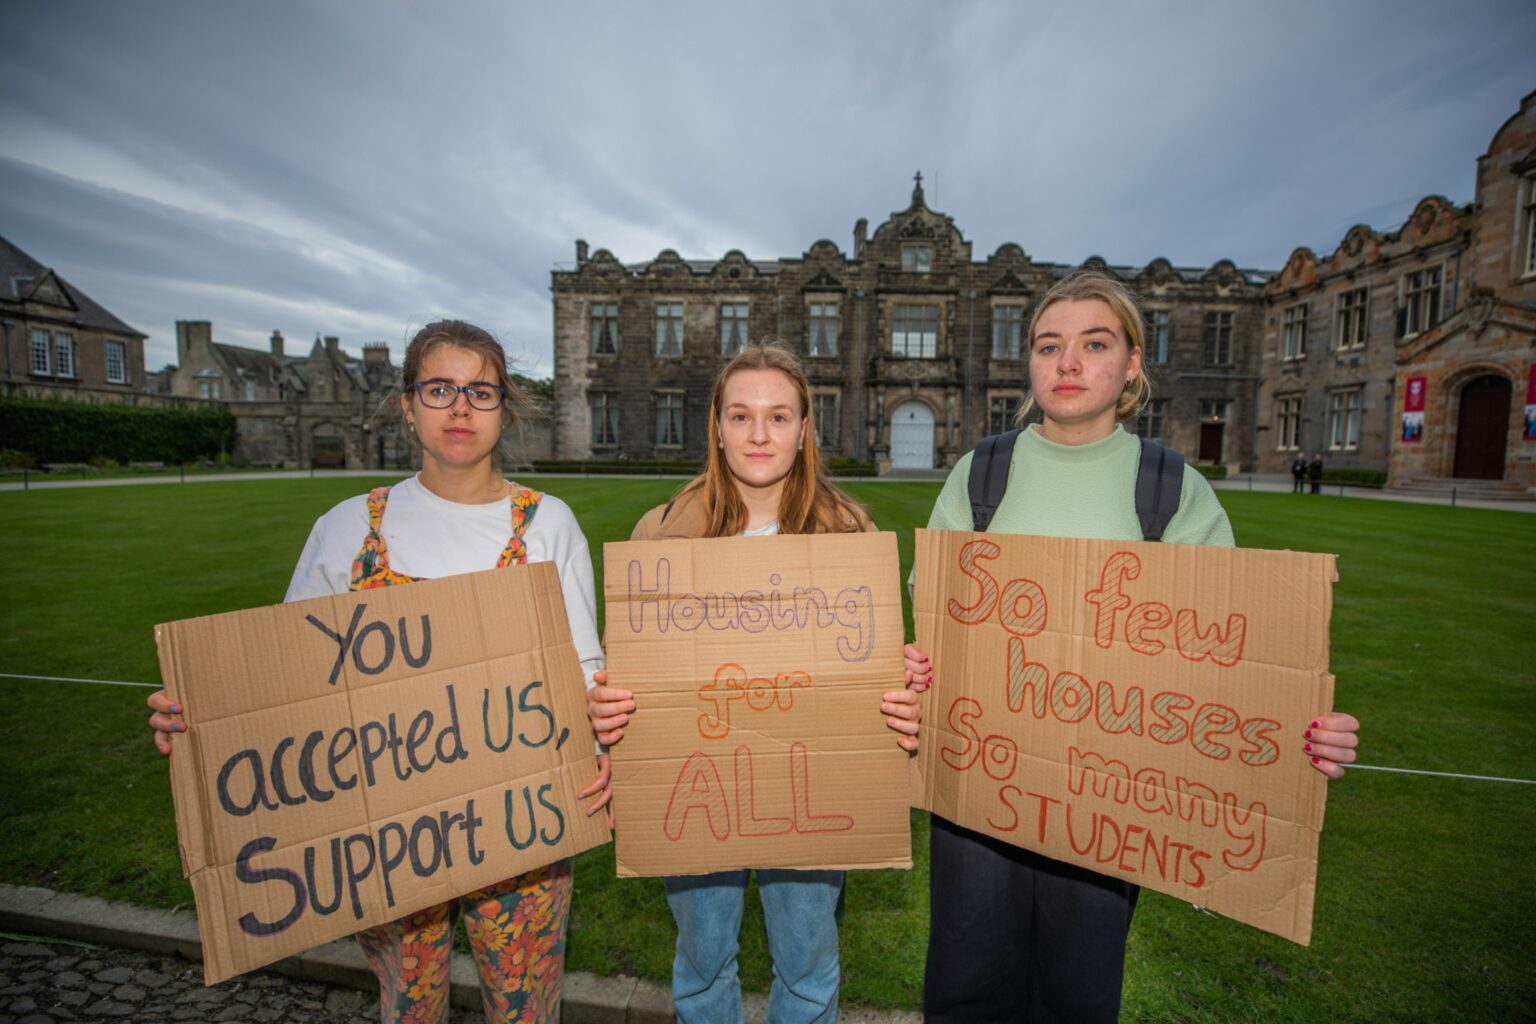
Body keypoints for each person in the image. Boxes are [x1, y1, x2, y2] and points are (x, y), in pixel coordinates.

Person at [907, 272, 1361, 1023]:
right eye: (1048, 346)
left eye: (1094, 344)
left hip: (1110, 797)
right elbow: (934, 626)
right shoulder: (980, 473)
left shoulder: (1172, 489)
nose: (1068, 363)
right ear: (1030, 362)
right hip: (980, 784)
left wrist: (1298, 733)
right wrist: (912, 667)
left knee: (1078, 995)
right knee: (965, 983)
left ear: (1132, 364)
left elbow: (1230, 661)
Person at [147, 320, 606, 1024]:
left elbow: (581, 663)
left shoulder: (546, 524)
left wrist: (602, 739)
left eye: (481, 392)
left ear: (505, 408)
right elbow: (285, 675)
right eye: (440, 389)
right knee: (408, 1002)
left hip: (522, 821)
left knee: (526, 1005)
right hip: (387, 833)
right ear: (407, 404)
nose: (460, 408)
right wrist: (201, 715)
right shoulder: (348, 528)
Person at [583, 343, 924, 1024]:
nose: (759, 434)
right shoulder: (660, 533)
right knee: (703, 960)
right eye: (741, 416)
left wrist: (903, 681)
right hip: (696, 786)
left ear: (804, 429)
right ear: (717, 428)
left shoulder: (848, 530)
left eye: (778, 416)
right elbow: (628, 672)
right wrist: (608, 705)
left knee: (807, 965)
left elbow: (874, 670)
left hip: (811, 786)